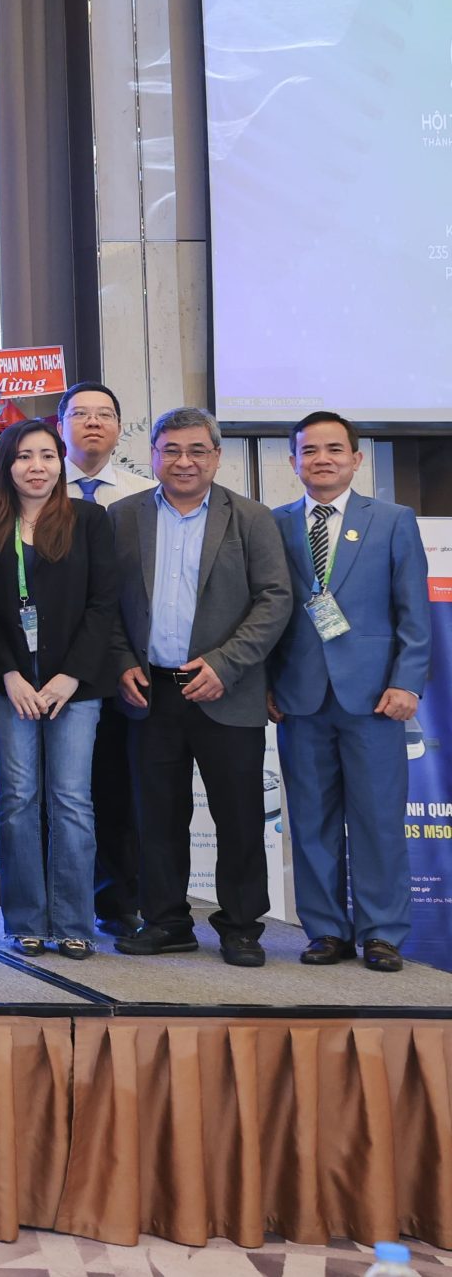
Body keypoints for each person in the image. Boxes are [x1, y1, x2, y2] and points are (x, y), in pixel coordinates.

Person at [108, 407, 292, 966]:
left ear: (216, 456)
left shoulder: (251, 517)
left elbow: (275, 599)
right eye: (171, 450)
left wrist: (225, 665)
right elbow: (105, 601)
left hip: (225, 688)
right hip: (150, 690)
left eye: (196, 450)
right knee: (157, 815)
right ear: (153, 456)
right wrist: (121, 661)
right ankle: (167, 921)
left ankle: (241, 926)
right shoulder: (123, 516)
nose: (183, 461)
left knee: (239, 815)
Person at [270, 412, 431, 972]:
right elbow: (265, 612)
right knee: (310, 821)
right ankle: (325, 931)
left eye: (334, 449)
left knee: (378, 820)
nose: (322, 459)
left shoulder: (392, 520)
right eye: (309, 450)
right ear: (293, 461)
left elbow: (414, 612)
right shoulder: (273, 523)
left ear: (356, 459)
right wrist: (266, 684)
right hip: (299, 697)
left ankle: (382, 932)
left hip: (374, 698)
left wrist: (407, 681)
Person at [0, 417, 119, 960]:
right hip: (11, 685)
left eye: (48, 456)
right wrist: (9, 673)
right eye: (24, 456)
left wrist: (69, 676)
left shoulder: (89, 519)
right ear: (6, 465)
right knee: (16, 801)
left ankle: (74, 921)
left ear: (61, 463)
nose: (37, 467)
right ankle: (25, 920)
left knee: (71, 800)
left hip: (74, 686)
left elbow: (104, 605)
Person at [59, 379, 144, 937]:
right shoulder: (35, 487)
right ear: (60, 425)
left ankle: (116, 902)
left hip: (122, 666)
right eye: (80, 413)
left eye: (104, 414)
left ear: (118, 427)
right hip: (51, 667)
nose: (93, 422)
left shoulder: (145, 494)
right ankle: (55, 901)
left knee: (115, 786)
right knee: (55, 790)